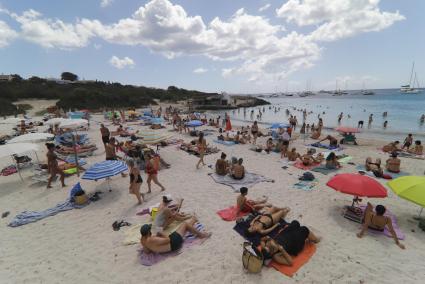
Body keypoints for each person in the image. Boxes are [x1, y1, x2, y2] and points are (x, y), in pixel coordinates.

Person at [140, 217, 211, 254]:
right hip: (174, 244)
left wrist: (156, 246)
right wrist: (161, 233)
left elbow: (147, 252)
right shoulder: (152, 239)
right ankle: (201, 235)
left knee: (184, 227)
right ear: (148, 232)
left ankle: (193, 220)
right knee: (185, 224)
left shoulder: (142, 240)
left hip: (169, 246)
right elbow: (168, 239)